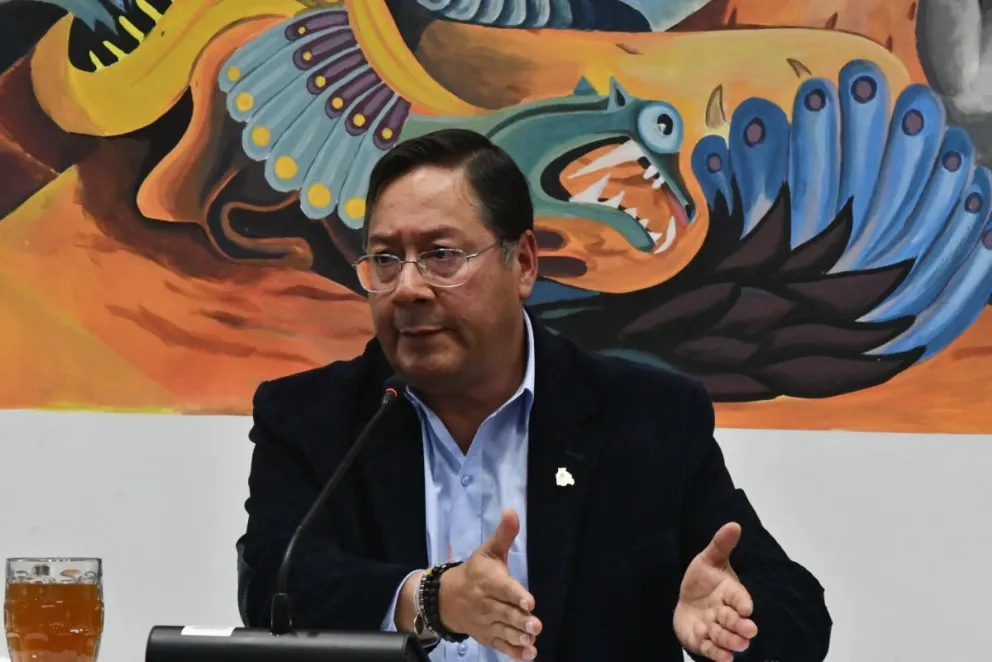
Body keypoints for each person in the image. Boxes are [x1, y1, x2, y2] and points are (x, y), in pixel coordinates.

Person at [236, 128, 832, 662]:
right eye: (386, 260)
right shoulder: (312, 418)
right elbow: (273, 586)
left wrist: (733, 622)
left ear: (521, 262)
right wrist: (430, 598)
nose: (408, 288)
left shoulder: (647, 419)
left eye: (442, 255)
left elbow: (796, 608)